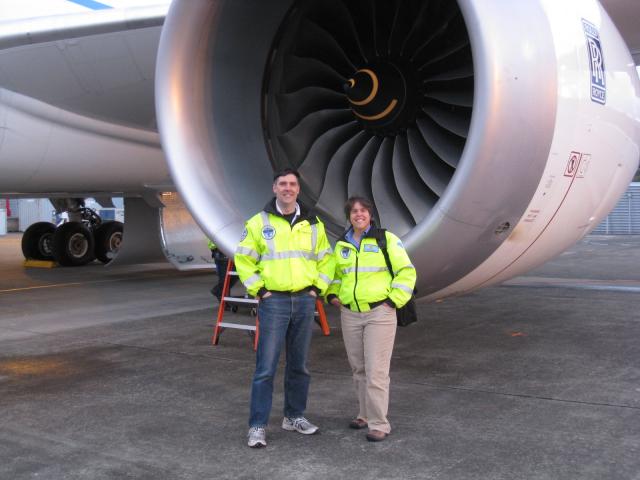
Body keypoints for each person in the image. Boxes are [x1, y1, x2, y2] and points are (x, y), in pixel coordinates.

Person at [234, 168, 334, 448]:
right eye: (283, 184)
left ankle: (294, 416)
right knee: (265, 367)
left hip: (304, 300)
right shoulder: (258, 223)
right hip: (274, 301)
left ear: (298, 190)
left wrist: (317, 289)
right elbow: (243, 260)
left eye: (292, 184)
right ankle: (257, 426)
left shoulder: (314, 224)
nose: (288, 188)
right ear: (274, 188)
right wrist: (260, 291)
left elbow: (327, 260)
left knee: (299, 365)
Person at [326, 196, 416, 442]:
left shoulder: (386, 240)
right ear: (349, 216)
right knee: (359, 368)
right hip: (350, 314)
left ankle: (379, 424)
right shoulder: (342, 245)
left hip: (379, 313)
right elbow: (336, 276)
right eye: (354, 211)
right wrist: (332, 294)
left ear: (370, 214)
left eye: (363, 210)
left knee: (376, 371)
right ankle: (364, 414)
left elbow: (406, 272)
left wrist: (392, 301)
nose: (359, 214)